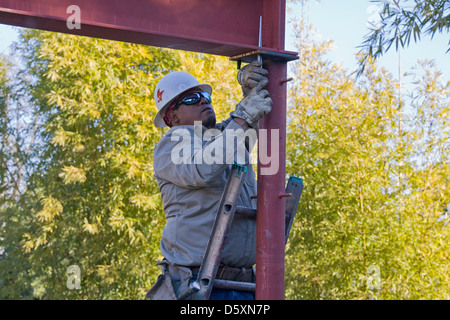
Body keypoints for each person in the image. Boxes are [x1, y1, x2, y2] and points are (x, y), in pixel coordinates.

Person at [146, 61, 272, 300]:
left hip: (244, 284)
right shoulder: (172, 143)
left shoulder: (223, 139)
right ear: (172, 115)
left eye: (204, 95)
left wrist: (250, 90)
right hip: (198, 285)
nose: (204, 100)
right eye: (192, 99)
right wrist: (243, 117)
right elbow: (202, 168)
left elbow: (250, 126)